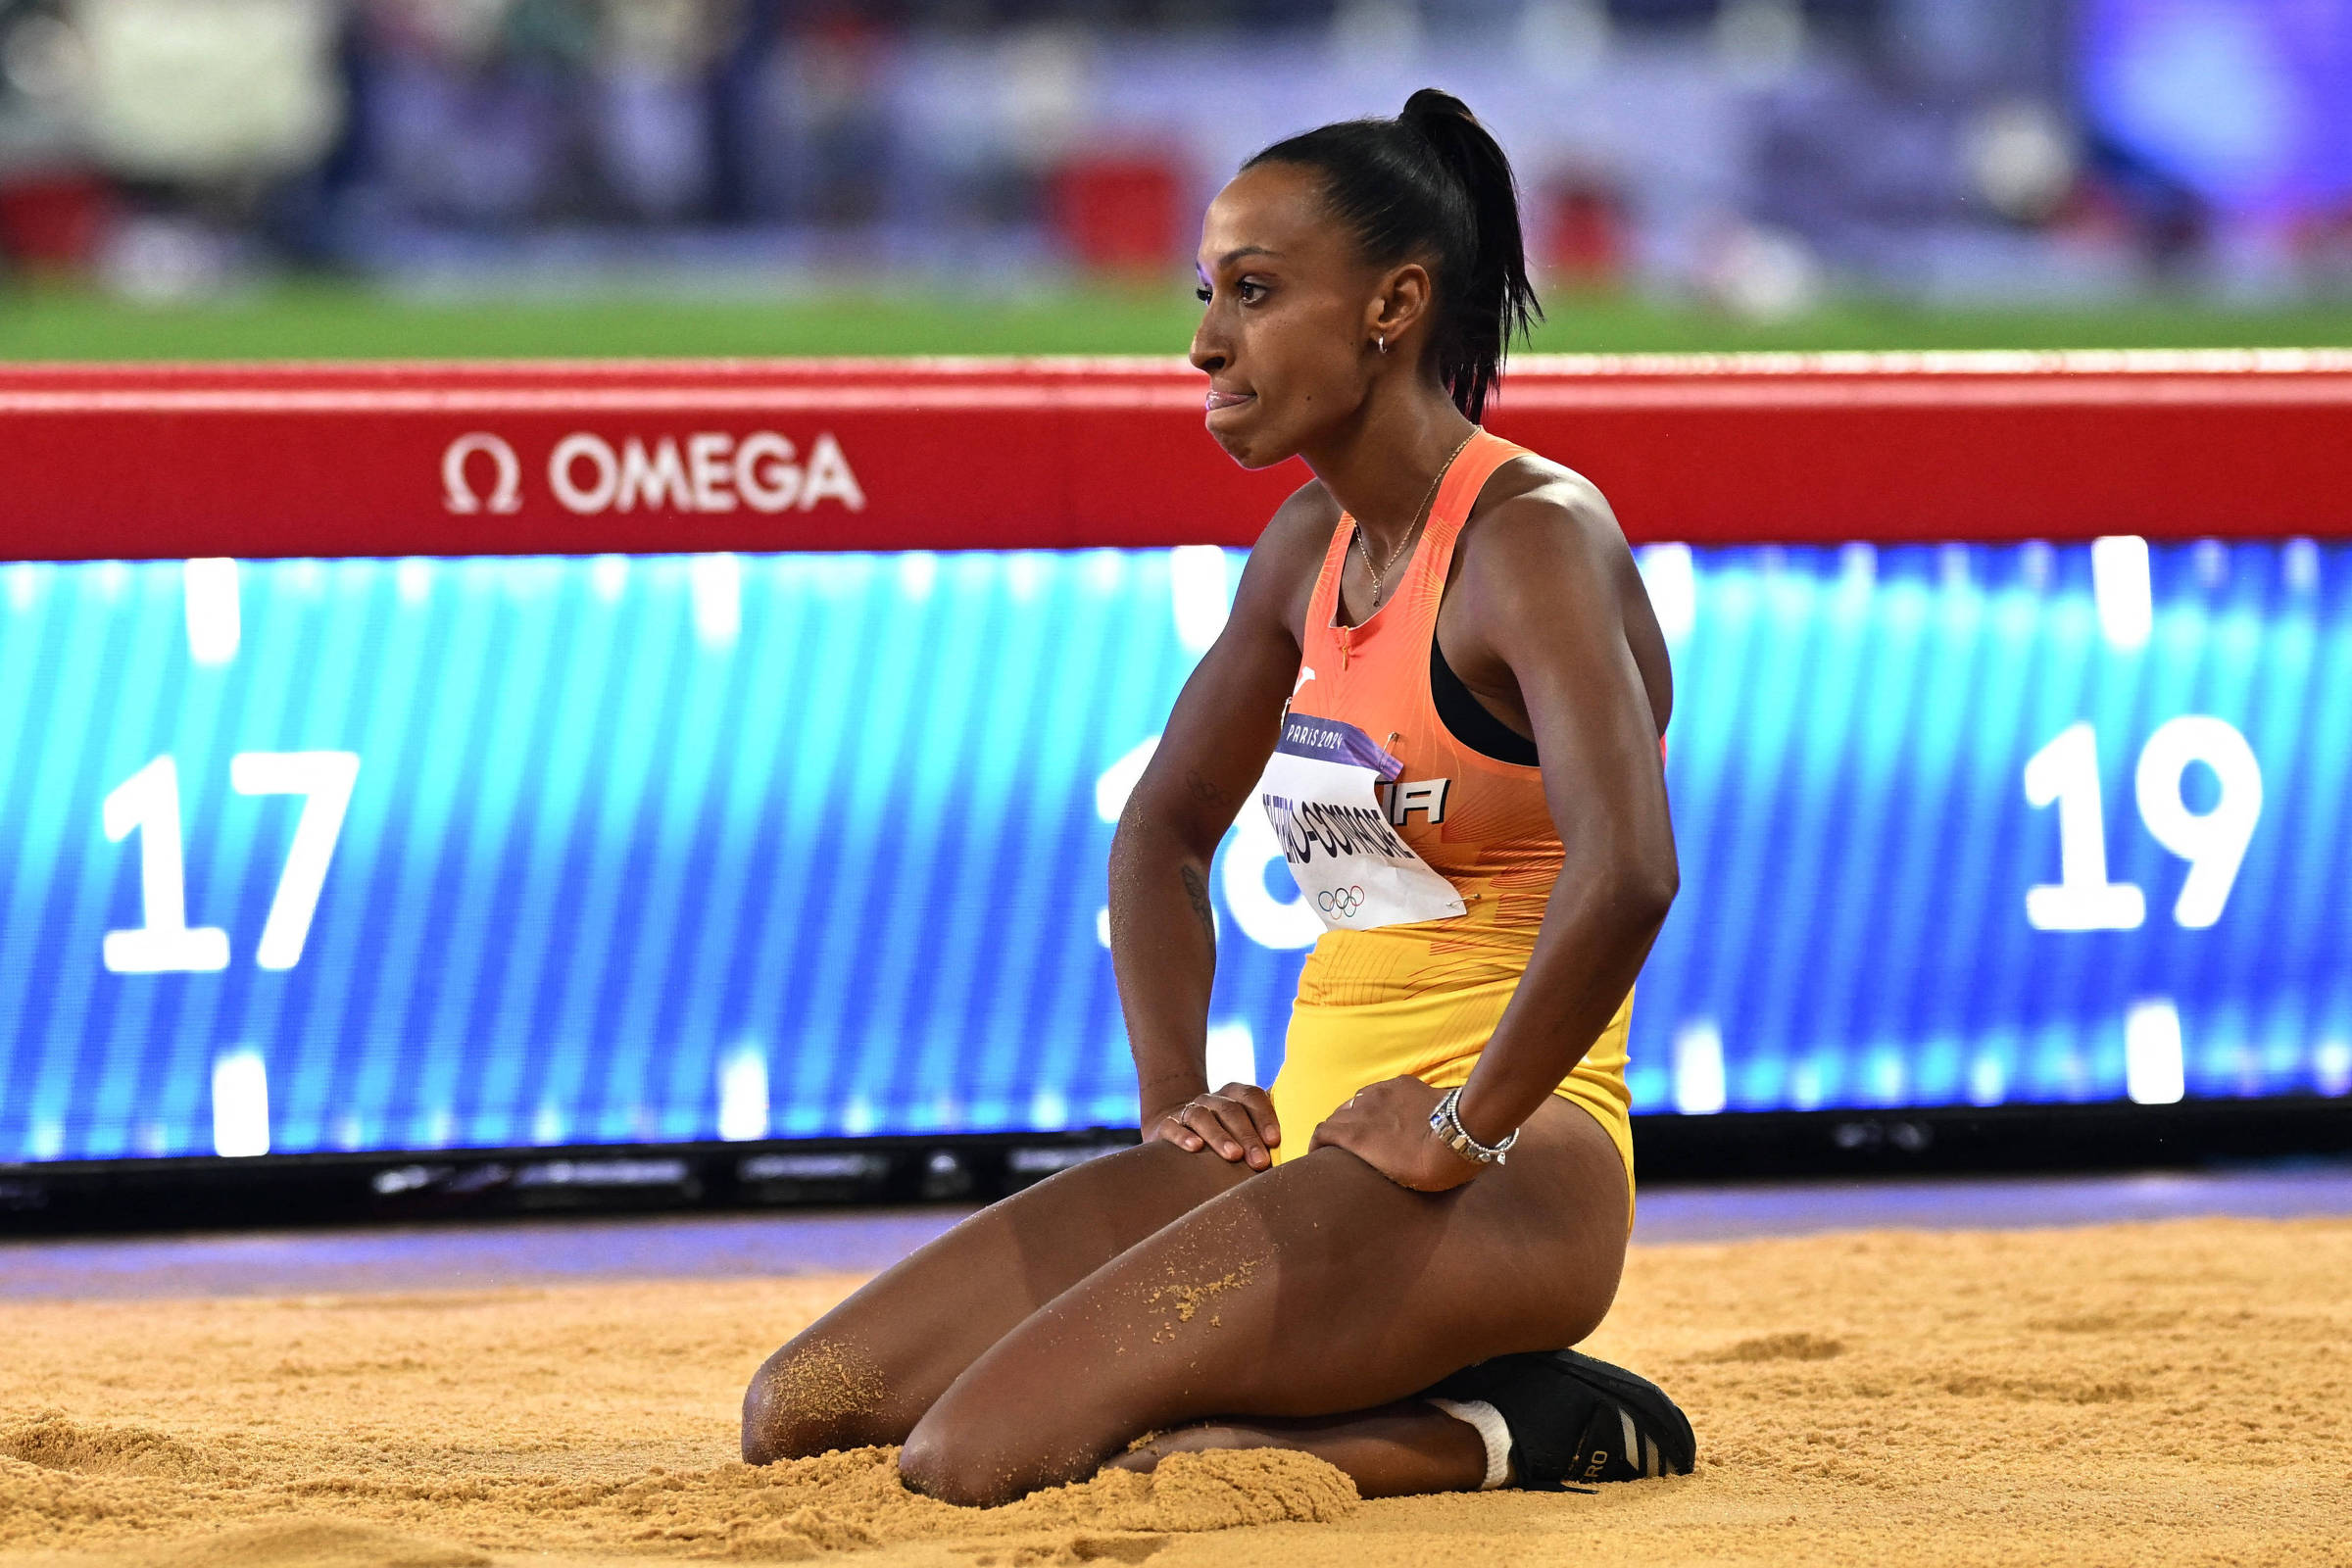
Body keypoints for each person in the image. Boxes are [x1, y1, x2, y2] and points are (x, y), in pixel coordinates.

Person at [741, 88, 1690, 1507]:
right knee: (801, 1411)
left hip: (1514, 1166)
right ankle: (1366, 1374)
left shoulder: (1531, 541)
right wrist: (1175, 1103)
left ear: (1393, 307)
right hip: (1315, 1139)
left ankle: (1511, 1425)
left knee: (977, 1459)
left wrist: (1464, 1129)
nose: (1203, 343)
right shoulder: (1308, 545)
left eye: (1253, 293)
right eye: (1206, 293)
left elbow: (1630, 874)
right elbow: (1164, 835)